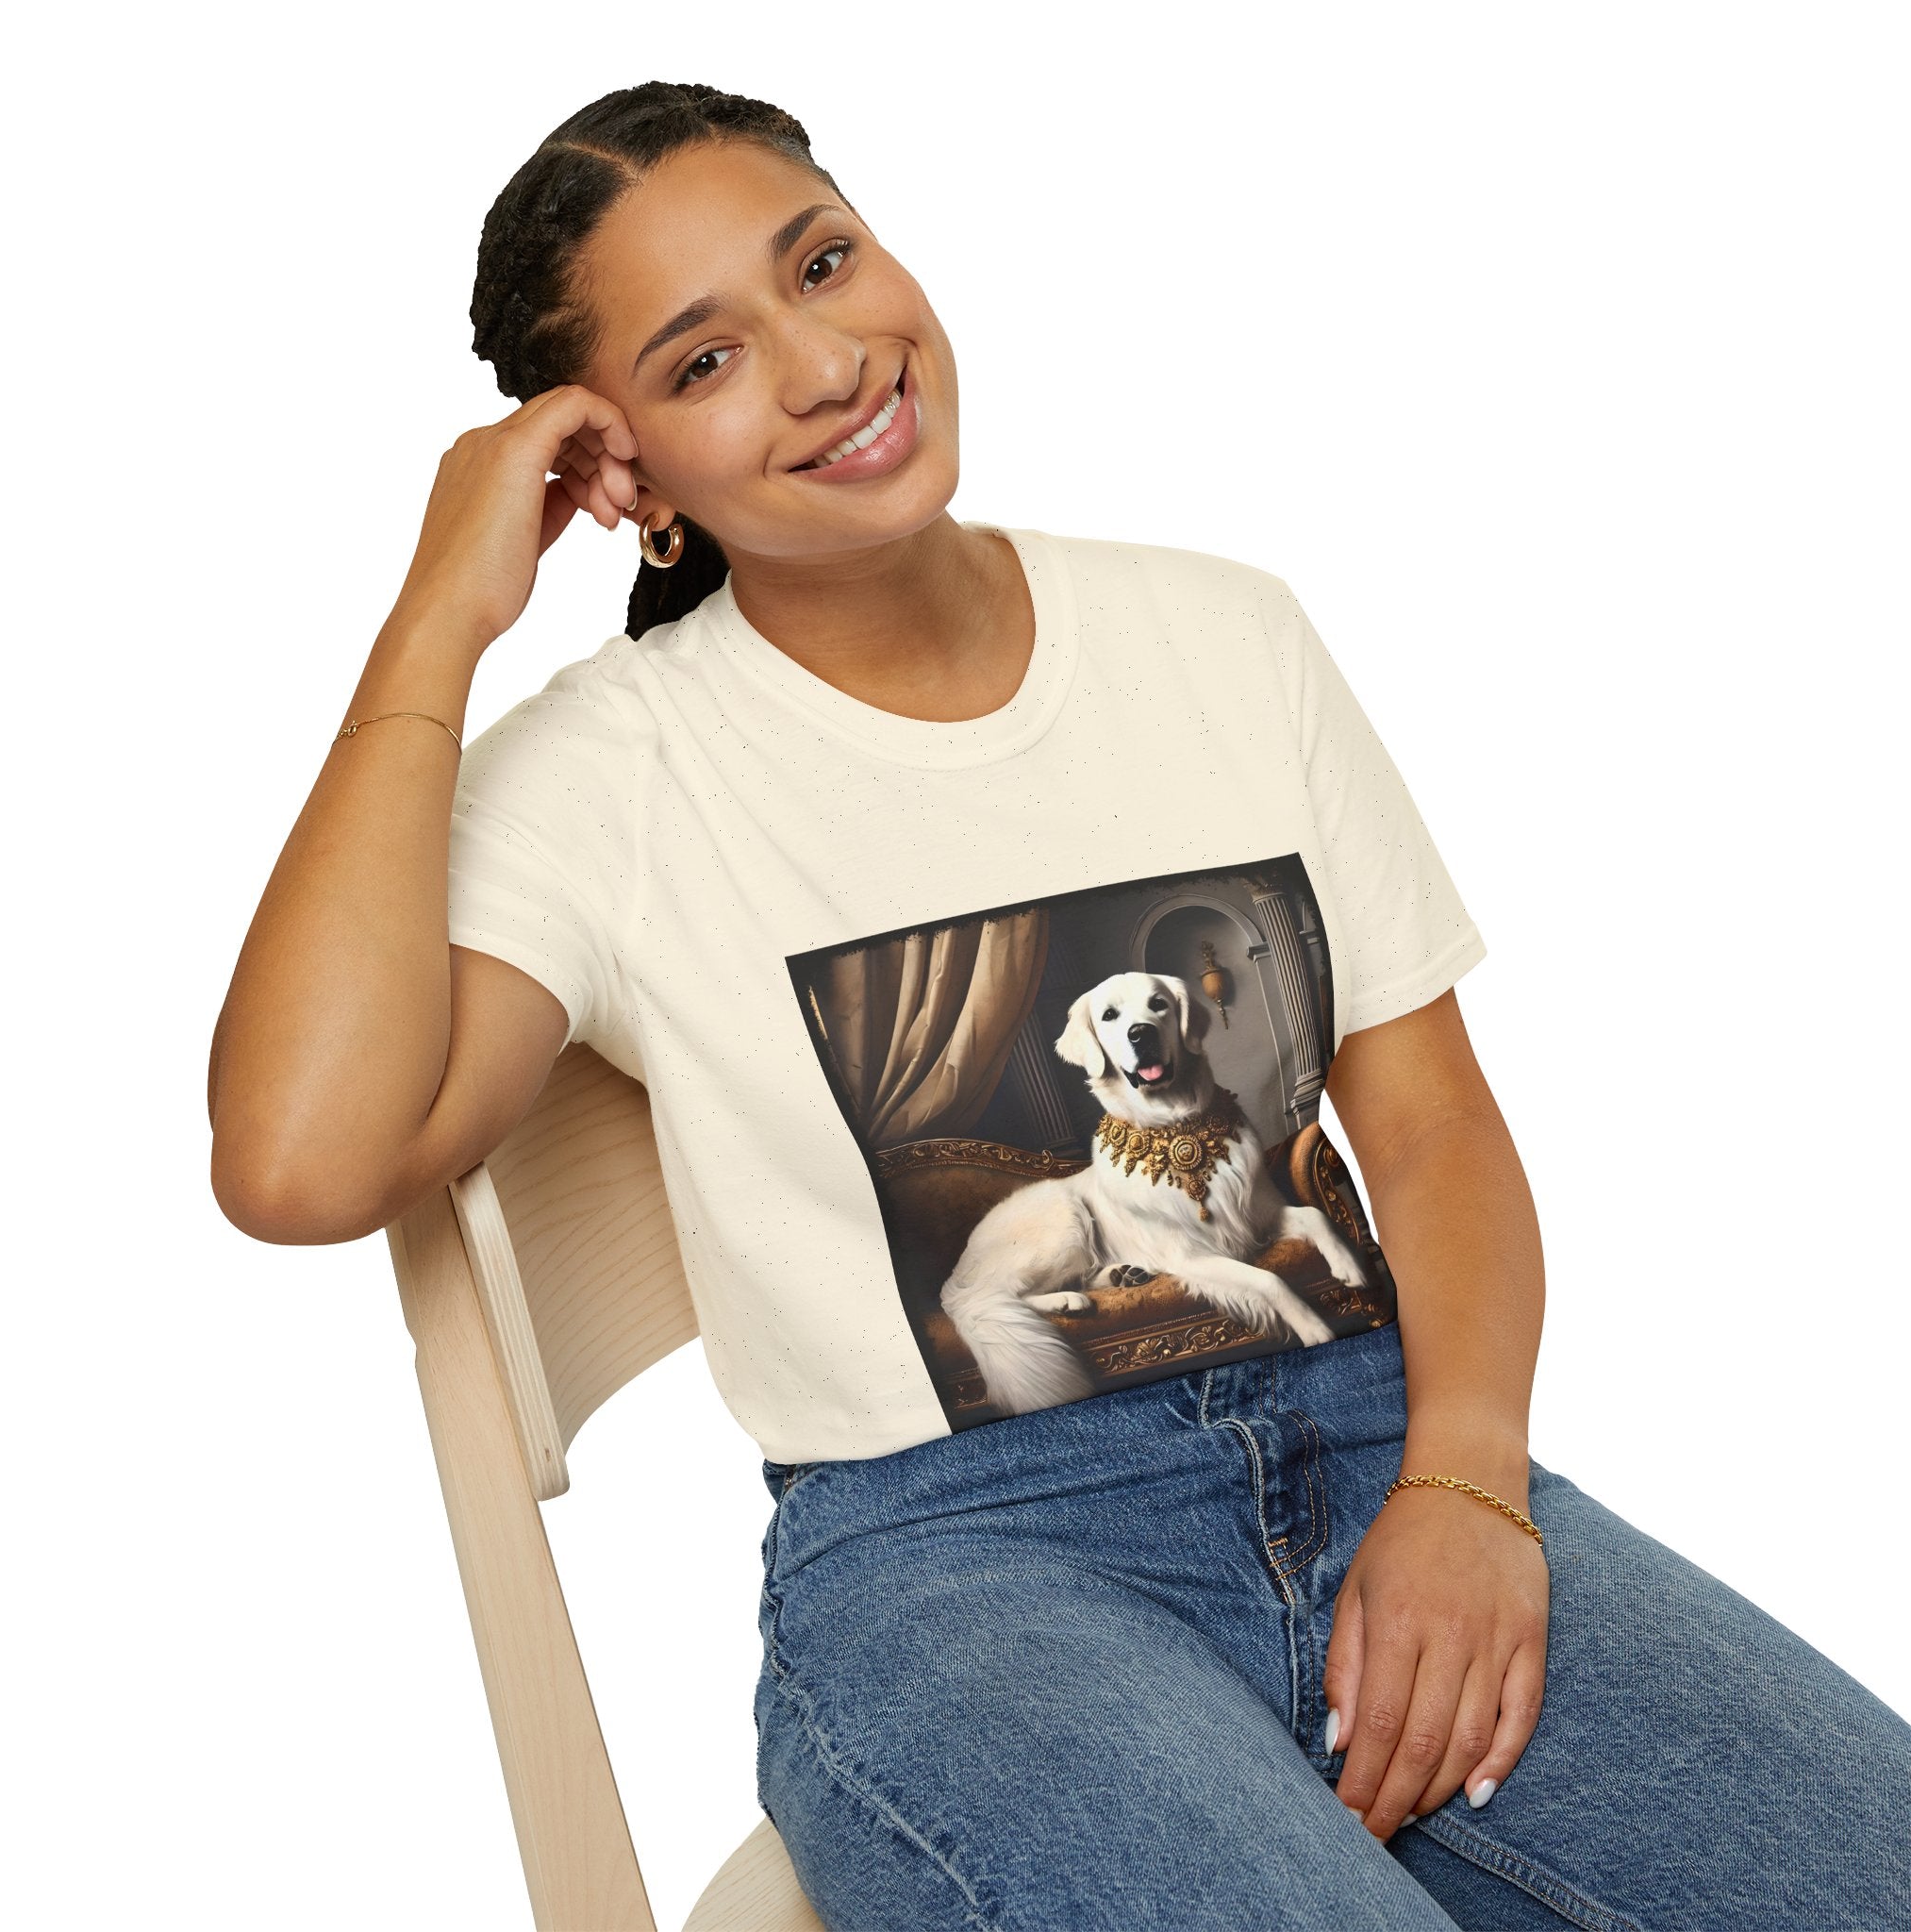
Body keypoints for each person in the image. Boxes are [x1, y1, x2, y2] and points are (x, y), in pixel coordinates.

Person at [208, 81, 1911, 1931]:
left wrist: (1469, 1489)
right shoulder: (613, 772)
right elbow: (300, 1158)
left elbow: (1425, 1128)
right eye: (704, 362)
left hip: (1375, 1445)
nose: (825, 361)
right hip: (964, 1569)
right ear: (627, 479)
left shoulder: (1221, 636)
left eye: (825, 263)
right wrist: (434, 620)